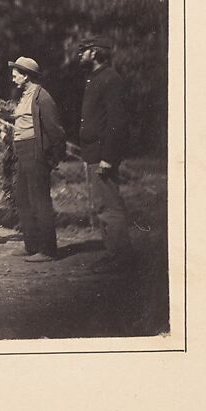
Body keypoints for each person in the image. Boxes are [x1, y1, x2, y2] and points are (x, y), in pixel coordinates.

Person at [78, 37, 132, 273]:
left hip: (102, 153)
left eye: (83, 51)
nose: (79, 55)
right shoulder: (95, 79)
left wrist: (108, 156)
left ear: (95, 52)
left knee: (109, 205)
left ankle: (121, 258)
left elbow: (116, 123)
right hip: (93, 152)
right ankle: (113, 254)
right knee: (101, 205)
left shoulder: (110, 80)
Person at [7, 56, 67, 262]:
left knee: (39, 200)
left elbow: (55, 130)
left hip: (36, 151)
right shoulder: (23, 95)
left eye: (16, 73)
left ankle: (48, 250)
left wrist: (52, 157)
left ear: (26, 75)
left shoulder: (42, 97)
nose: (13, 76)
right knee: (23, 199)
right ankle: (31, 245)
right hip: (22, 151)